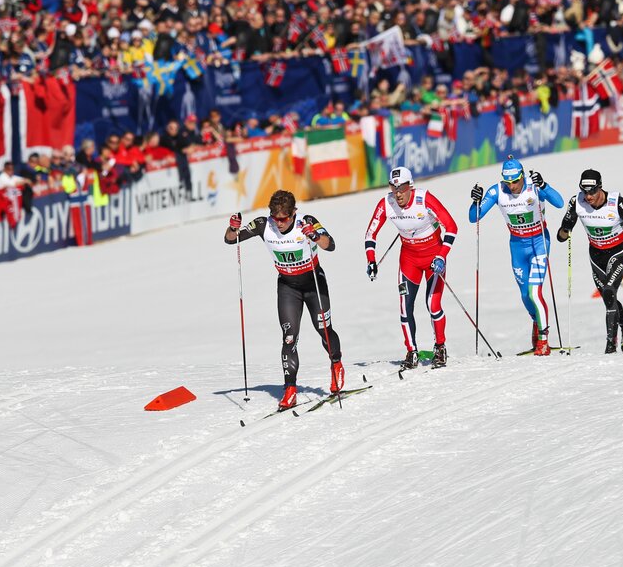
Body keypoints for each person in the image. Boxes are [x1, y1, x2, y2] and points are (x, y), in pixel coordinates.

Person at [224, 190, 345, 410]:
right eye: (275, 217)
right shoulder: (263, 224)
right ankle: (290, 389)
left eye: (283, 218)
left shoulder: (307, 222)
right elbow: (232, 240)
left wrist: (315, 236)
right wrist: (233, 228)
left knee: (324, 329)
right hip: (288, 287)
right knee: (289, 338)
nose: (278, 223)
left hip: (313, 283)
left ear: (293, 213)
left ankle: (336, 364)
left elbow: (331, 244)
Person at [364, 167, 458, 370]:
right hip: (409, 260)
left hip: (434, 258)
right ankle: (411, 351)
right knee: (405, 307)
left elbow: (452, 227)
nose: (398, 193)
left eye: (402, 188)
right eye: (393, 187)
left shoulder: (424, 199)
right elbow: (370, 233)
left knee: (433, 304)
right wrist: (371, 260)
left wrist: (442, 256)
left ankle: (440, 347)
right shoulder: (386, 204)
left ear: (410, 186)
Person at [468, 157, 564, 354]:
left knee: (534, 292)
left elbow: (560, 202)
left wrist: (544, 185)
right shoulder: (497, 191)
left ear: (522, 176)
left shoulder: (534, 186)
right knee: (524, 295)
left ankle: (543, 340)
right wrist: (475, 201)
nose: (512, 186)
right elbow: (473, 217)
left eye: (515, 181)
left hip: (539, 243)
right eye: (508, 181)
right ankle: (537, 322)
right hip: (517, 246)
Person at [557, 169, 623, 353]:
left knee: (609, 291)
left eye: (592, 191)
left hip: (618, 252)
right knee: (609, 299)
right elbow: (561, 237)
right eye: (584, 191)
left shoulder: (619, 204)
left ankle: (610, 345)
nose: (588, 196)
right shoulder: (576, 202)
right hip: (596, 255)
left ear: (600, 188)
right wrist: (565, 227)